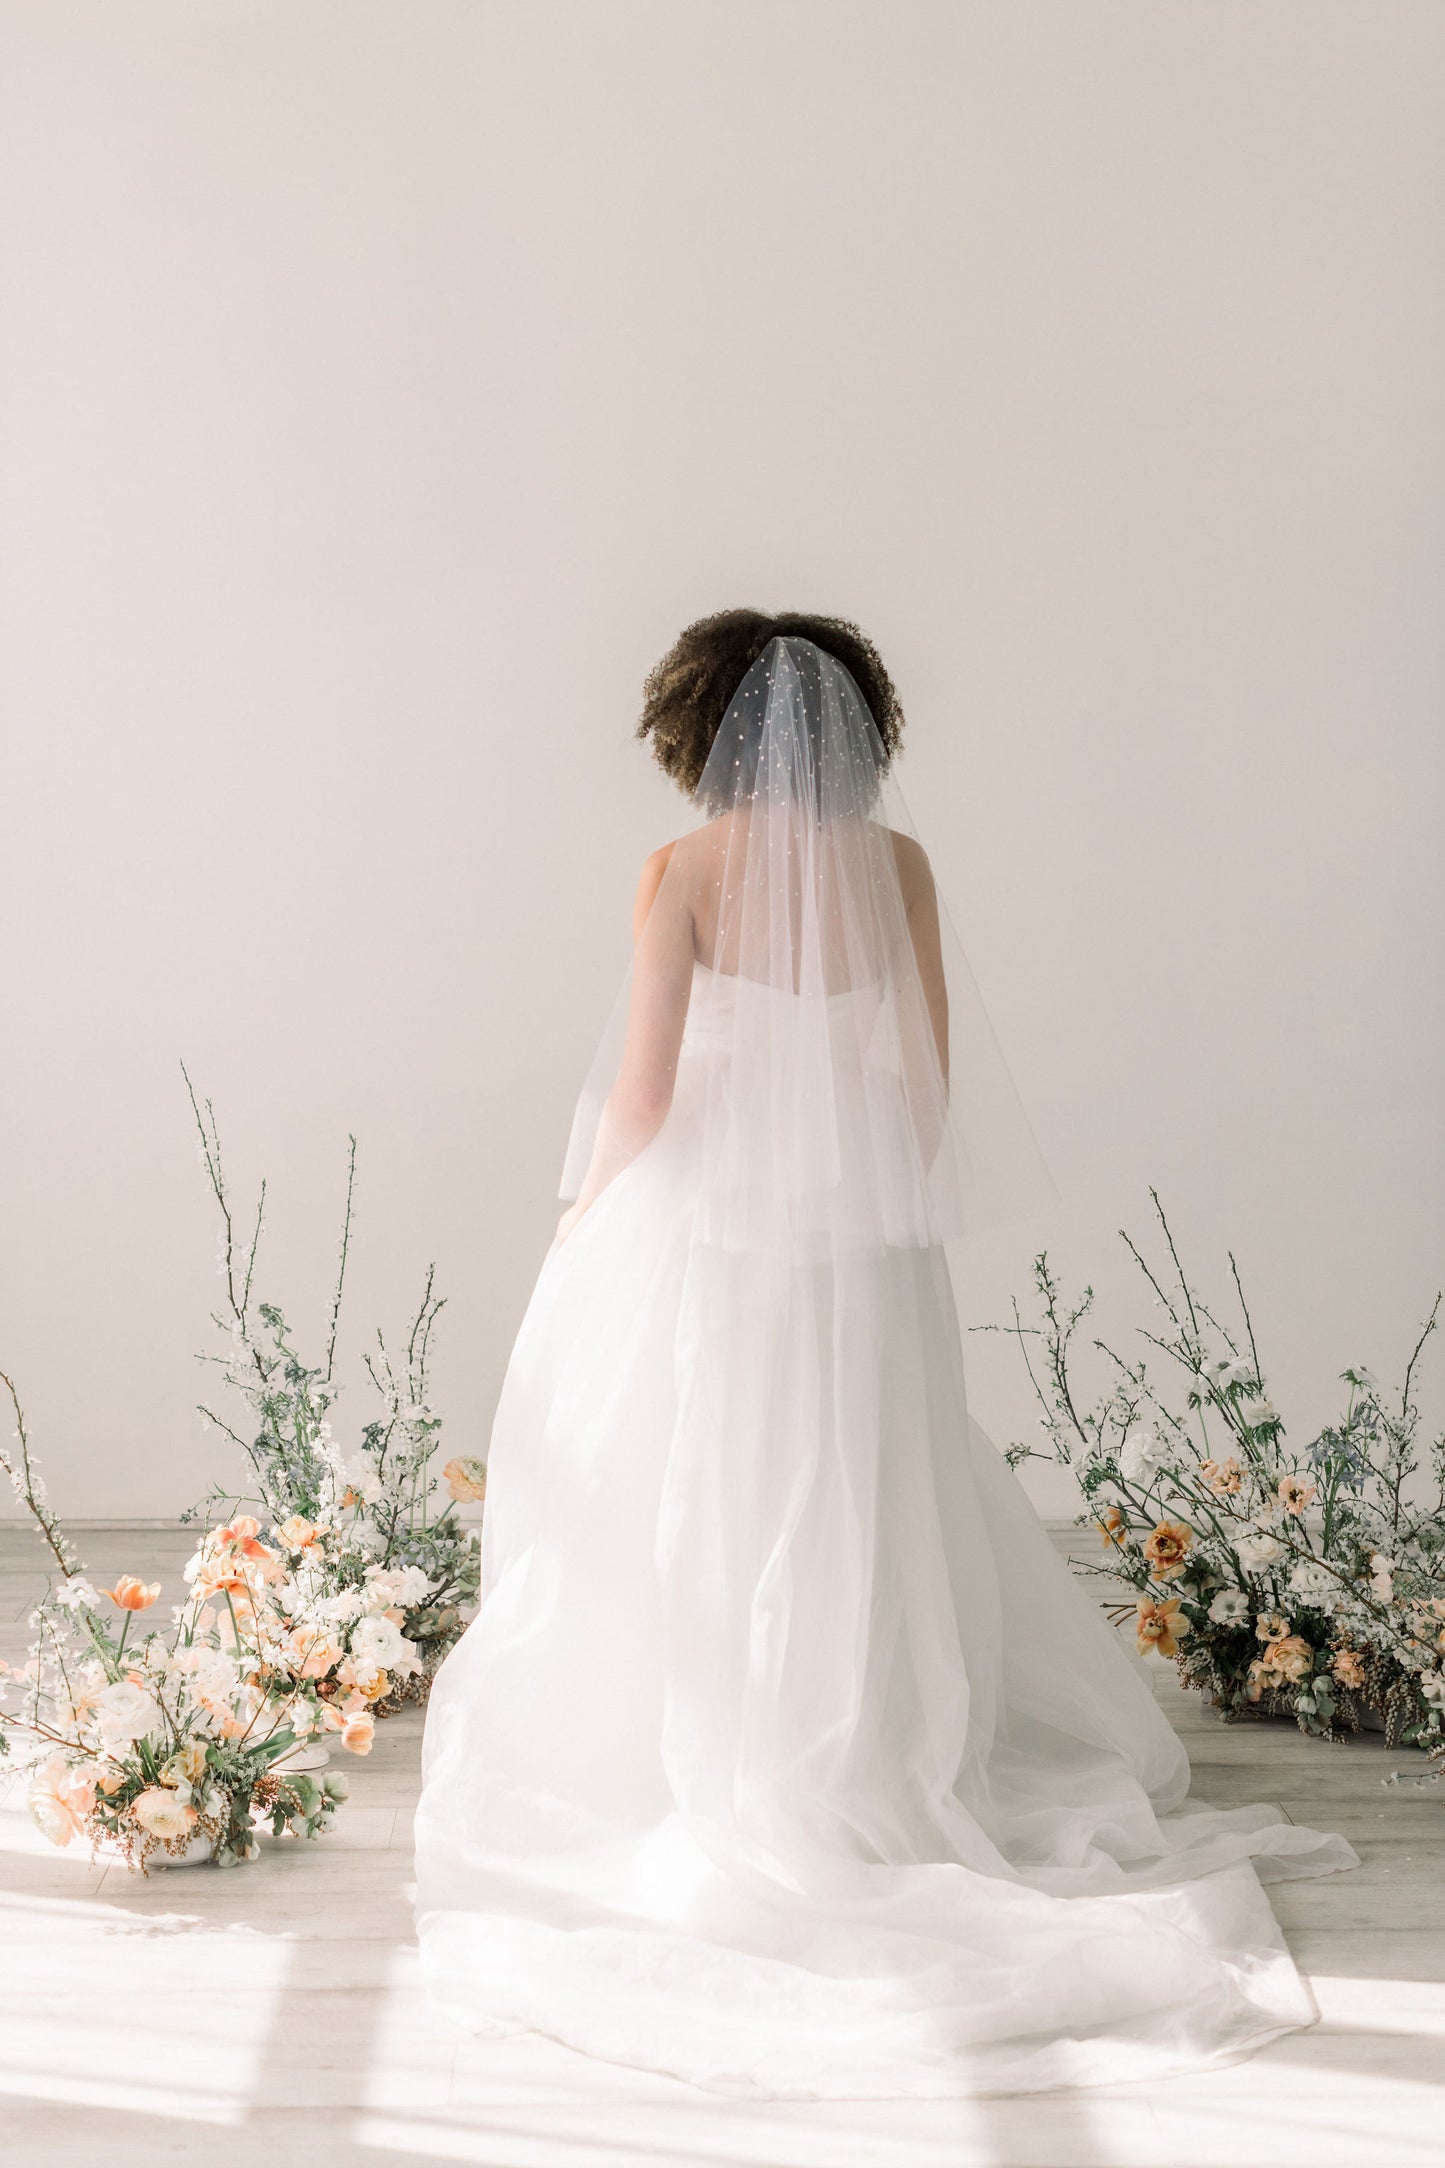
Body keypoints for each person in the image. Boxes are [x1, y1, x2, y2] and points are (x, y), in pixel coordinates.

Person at [414, 610, 1356, 2099]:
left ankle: (726, 1754)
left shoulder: (679, 875)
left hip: (712, 1243)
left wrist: (585, 1220)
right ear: (861, 734)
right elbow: (919, 1091)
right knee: (859, 1483)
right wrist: (863, 1206)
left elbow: (644, 1097)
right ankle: (867, 1749)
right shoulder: (900, 869)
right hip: (861, 1246)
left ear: (701, 726)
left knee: (701, 1482)